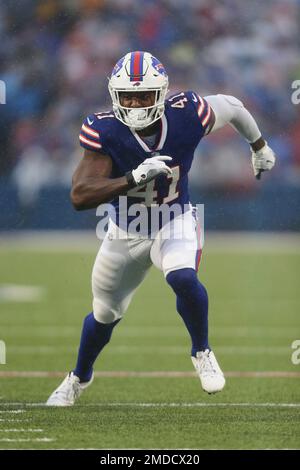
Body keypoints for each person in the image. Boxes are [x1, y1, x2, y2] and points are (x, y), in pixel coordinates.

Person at [46, 51, 276, 406]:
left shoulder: (186, 114)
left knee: (182, 276)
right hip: (125, 230)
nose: (136, 105)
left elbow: (232, 106)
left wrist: (258, 147)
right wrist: (130, 178)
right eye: (128, 97)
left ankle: (201, 351)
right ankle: (79, 377)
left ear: (162, 93)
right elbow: (80, 195)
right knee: (105, 314)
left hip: (175, 218)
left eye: (144, 96)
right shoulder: (104, 128)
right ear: (115, 96)